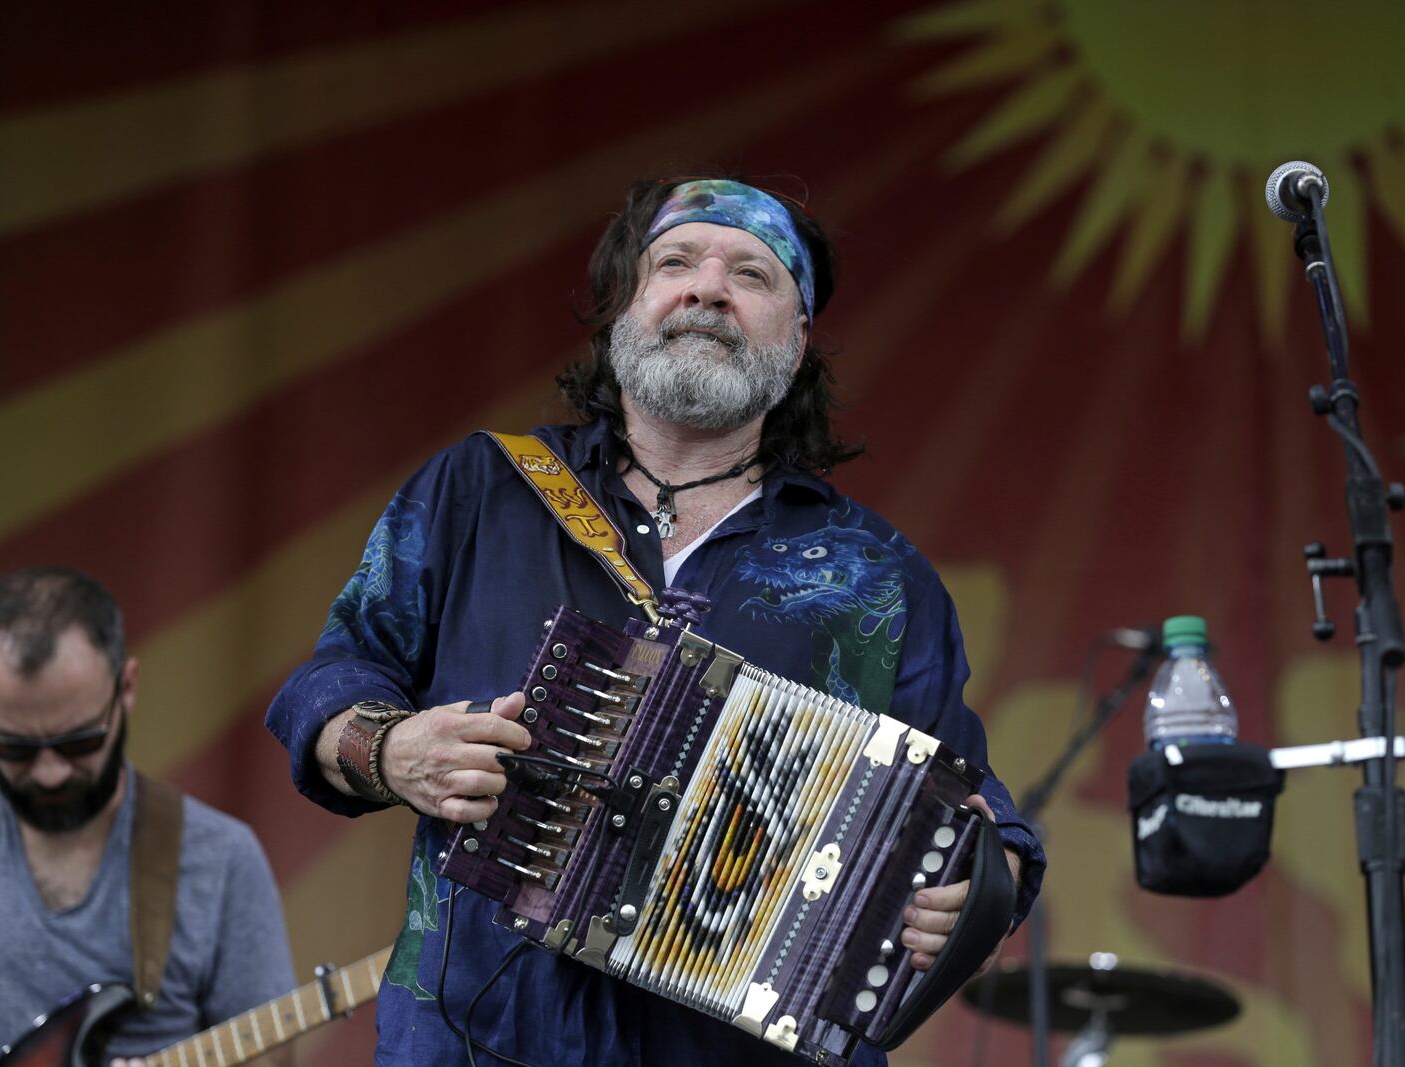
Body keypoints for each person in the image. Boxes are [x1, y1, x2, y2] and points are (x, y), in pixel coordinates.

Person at [266, 176, 1045, 1066]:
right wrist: (390, 749)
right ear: (625, 314)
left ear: (795, 347)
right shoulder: (481, 489)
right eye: (674, 262)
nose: (707, 287)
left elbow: (967, 802)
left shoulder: (874, 575)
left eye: (751, 274)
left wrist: (985, 880)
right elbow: (331, 680)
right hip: (476, 1042)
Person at [0, 568, 296, 1067]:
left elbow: (272, 1057)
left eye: (79, 743)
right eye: (15, 748)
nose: (50, 773)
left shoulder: (222, 858)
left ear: (127, 687)